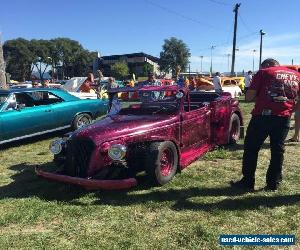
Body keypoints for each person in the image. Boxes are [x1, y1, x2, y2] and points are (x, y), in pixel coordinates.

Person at [230, 58, 300, 191]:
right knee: (278, 150)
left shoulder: (264, 72)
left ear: (266, 65)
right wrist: (290, 109)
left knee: (251, 148)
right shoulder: (296, 75)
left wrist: (262, 96)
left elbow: (249, 97)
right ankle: (273, 183)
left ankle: (247, 182)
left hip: (262, 116)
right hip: (283, 117)